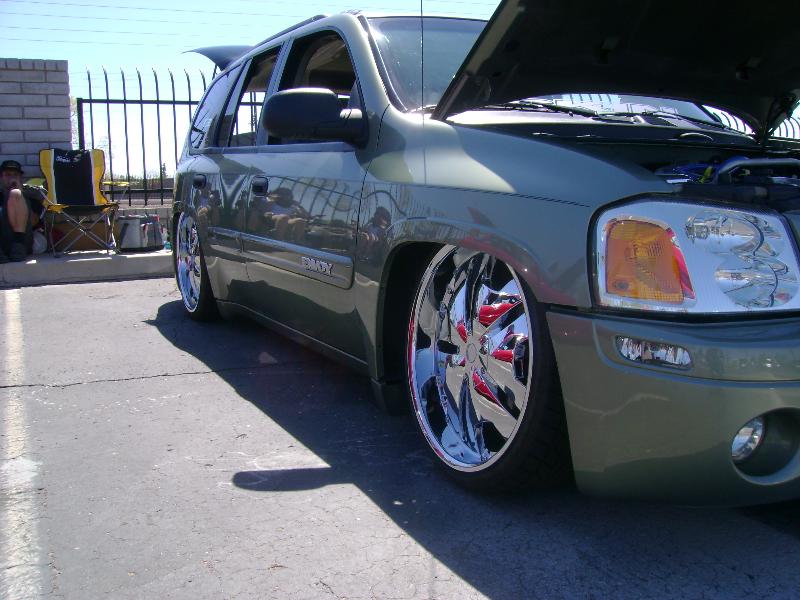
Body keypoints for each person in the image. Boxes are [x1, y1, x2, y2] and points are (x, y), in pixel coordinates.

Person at [0, 160, 43, 262]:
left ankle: (18, 246)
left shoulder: (30, 198)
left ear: (20, 178)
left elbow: (33, 222)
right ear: (1, 178)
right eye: (7, 175)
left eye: (15, 175)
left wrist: (20, 193)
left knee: (15, 193)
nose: (11, 178)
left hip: (21, 241)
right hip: (2, 241)